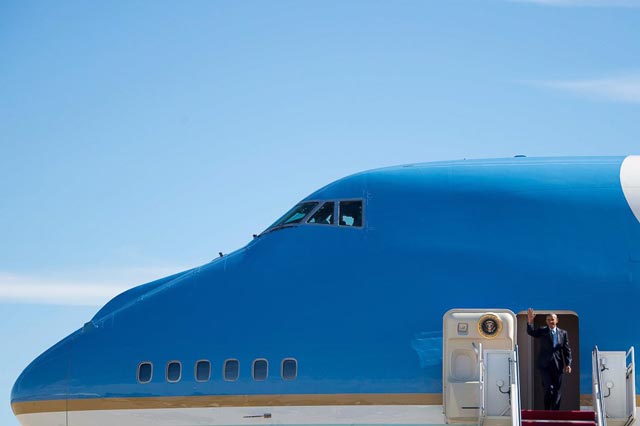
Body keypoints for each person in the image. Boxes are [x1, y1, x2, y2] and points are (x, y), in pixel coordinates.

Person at [527, 308, 572, 411]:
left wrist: (568, 363)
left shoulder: (563, 333)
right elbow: (531, 332)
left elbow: (566, 349)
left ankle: (555, 412)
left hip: (558, 365)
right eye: (548, 320)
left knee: (557, 390)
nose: (550, 321)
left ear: (556, 320)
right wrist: (530, 321)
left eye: (552, 319)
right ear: (546, 322)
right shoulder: (543, 330)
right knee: (548, 389)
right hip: (544, 365)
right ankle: (547, 411)